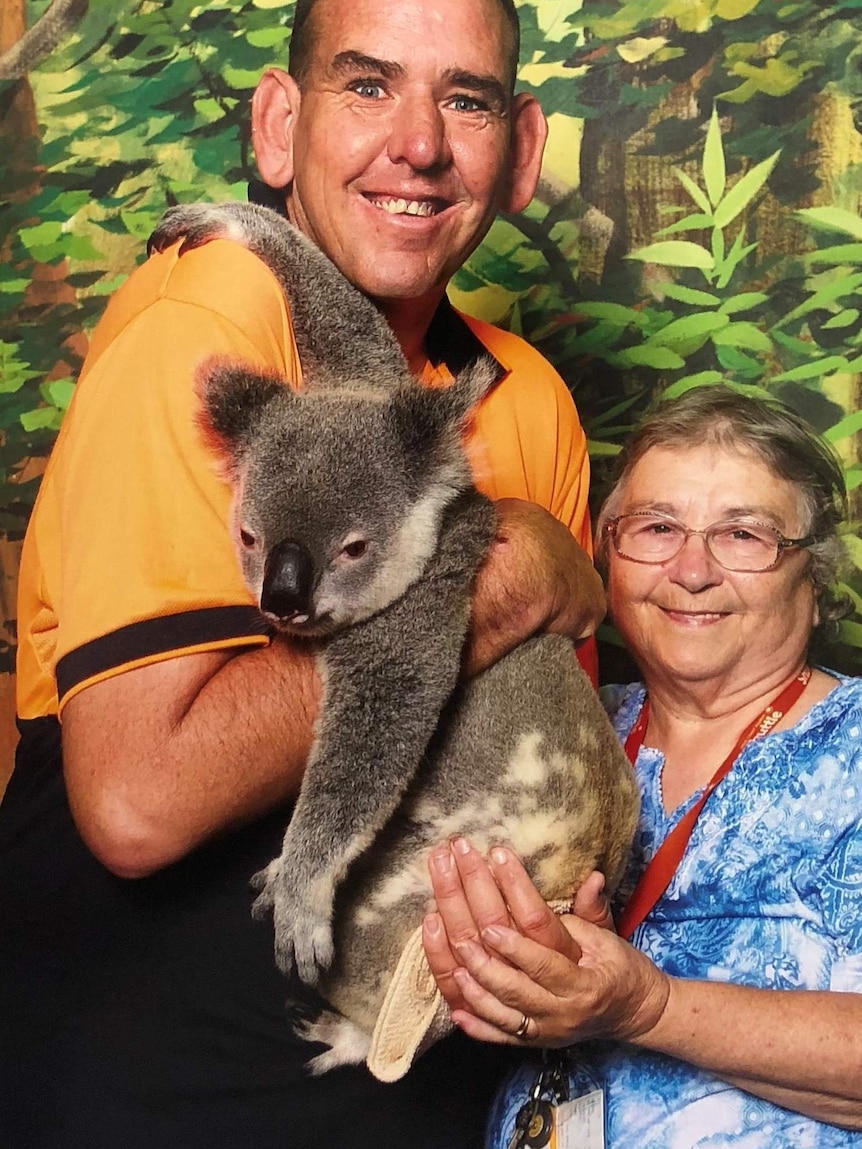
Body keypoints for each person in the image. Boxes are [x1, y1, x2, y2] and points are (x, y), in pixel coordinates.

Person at [0, 1, 606, 1147]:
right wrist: (489, 573)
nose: (419, 142)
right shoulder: (202, 331)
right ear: (277, 128)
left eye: (464, 100)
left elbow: (549, 784)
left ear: (520, 150)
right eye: (366, 86)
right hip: (151, 1074)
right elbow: (136, 804)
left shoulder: (525, 400)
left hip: (428, 1072)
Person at [424, 386, 862, 1147]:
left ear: (816, 579)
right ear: (607, 554)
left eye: (744, 535)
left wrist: (647, 1007)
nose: (692, 569)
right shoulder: (566, 724)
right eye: (658, 527)